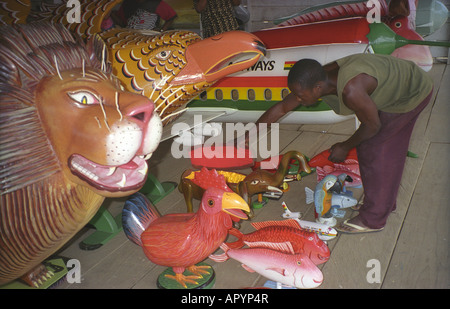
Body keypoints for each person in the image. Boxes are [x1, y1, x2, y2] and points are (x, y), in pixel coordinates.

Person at [253, 53, 433, 234]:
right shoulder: (318, 77)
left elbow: (372, 125)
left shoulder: (351, 90)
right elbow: (282, 107)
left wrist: (344, 146)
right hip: (397, 84)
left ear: (317, 88)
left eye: (300, 96)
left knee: (374, 149)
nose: (297, 99)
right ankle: (383, 204)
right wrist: (249, 135)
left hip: (411, 92)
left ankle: (373, 219)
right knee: (382, 149)